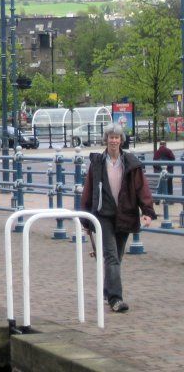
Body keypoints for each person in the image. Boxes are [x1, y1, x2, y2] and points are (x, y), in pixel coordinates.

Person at [81, 123, 156, 313]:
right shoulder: (97, 162)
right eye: (110, 137)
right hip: (103, 214)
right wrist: (86, 220)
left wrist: (147, 211)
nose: (113, 140)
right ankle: (116, 299)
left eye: (117, 137)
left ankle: (108, 291)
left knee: (117, 257)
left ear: (121, 140)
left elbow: (141, 188)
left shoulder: (130, 163)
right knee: (111, 256)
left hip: (125, 213)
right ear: (105, 139)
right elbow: (88, 190)